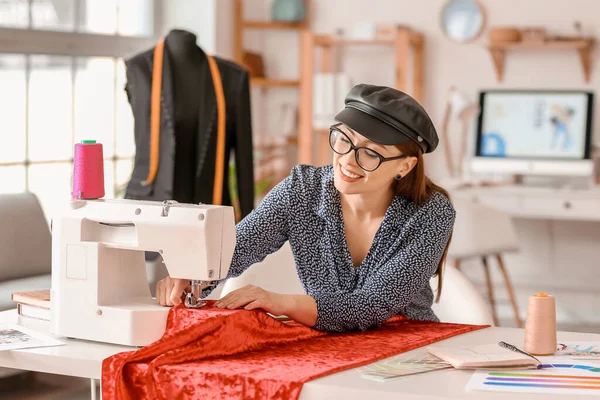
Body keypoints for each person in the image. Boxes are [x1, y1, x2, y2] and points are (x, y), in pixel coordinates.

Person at [156, 84, 456, 333]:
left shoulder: (431, 214)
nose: (348, 161)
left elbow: (370, 305)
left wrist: (278, 302)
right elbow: (237, 248)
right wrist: (192, 274)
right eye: (344, 140)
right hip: (328, 346)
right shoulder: (302, 190)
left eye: (370, 154)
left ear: (405, 165)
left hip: (409, 350)